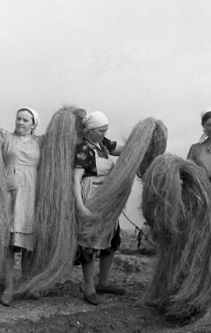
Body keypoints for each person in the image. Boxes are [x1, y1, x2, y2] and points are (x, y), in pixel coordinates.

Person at [72, 111, 126, 306]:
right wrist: (79, 205)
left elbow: (121, 150)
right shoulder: (84, 148)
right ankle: (89, 288)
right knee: (89, 241)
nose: (104, 134)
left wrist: (138, 147)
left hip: (107, 197)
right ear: (89, 130)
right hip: (91, 195)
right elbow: (76, 179)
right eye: (101, 131)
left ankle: (103, 283)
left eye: (106, 130)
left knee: (111, 239)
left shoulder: (102, 144)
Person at [0, 107, 42, 306]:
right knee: (8, 244)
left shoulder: (40, 142)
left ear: (34, 125)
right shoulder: (5, 137)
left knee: (27, 243)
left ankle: (26, 283)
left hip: (31, 191)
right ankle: (9, 287)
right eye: (18, 118)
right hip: (10, 191)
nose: (20, 123)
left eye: (25, 120)